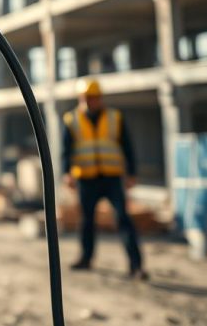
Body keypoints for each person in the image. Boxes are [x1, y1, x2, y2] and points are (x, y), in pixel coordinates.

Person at [63, 78, 147, 280]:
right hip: (86, 178)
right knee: (87, 221)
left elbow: (127, 146)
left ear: (99, 98)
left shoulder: (114, 117)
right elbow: (67, 150)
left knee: (123, 219)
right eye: (85, 97)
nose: (88, 101)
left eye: (92, 97)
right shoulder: (71, 119)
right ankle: (86, 258)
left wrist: (132, 173)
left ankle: (136, 266)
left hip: (111, 177)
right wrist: (67, 173)